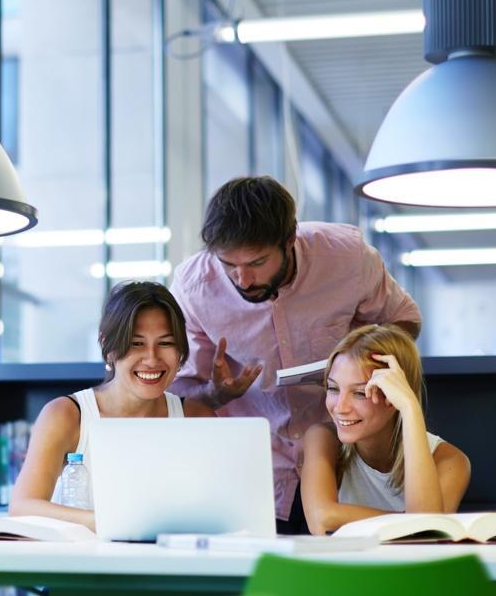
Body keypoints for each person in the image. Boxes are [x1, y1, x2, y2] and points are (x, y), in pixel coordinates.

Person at [170, 176, 422, 533]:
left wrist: (361, 364)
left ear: (290, 240)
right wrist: (215, 394)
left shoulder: (347, 257)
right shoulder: (193, 287)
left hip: (348, 461)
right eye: (228, 265)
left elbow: (404, 321)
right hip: (254, 472)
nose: (242, 279)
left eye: (257, 262)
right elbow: (177, 388)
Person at [9, 281, 214, 531]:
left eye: (165, 343)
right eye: (136, 343)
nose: (152, 359)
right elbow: (22, 507)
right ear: (109, 348)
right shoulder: (66, 414)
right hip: (86, 555)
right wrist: (110, 521)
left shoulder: (197, 418)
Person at [300, 324, 470, 534]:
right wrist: (409, 522)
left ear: (395, 395)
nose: (340, 407)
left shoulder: (450, 461)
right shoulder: (323, 438)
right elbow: (322, 519)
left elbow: (425, 533)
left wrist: (410, 408)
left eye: (360, 393)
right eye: (333, 388)